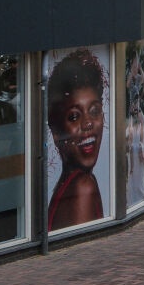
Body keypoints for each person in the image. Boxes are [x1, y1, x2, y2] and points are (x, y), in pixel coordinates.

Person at [46, 48, 109, 229]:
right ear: (56, 132)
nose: (88, 124)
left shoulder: (69, 185)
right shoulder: (83, 187)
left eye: (94, 111)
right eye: (74, 116)